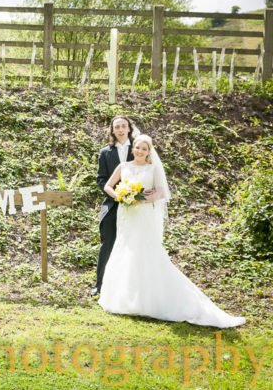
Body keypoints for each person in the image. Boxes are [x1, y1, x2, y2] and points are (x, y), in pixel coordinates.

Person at [98, 135, 245, 328]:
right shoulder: (123, 167)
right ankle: (125, 300)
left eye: (144, 149)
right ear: (133, 149)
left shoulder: (153, 169)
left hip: (142, 215)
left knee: (145, 252)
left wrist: (140, 198)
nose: (140, 151)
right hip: (126, 216)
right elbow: (108, 185)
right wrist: (120, 195)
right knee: (125, 252)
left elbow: (161, 192)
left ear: (149, 151)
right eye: (137, 148)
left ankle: (153, 300)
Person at [91, 116, 144, 296]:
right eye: (117, 127)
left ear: (129, 128)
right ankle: (100, 285)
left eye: (123, 126)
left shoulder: (139, 149)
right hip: (113, 204)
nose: (120, 129)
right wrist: (118, 196)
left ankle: (132, 287)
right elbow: (101, 179)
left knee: (135, 245)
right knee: (107, 243)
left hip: (136, 205)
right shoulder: (105, 152)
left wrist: (135, 196)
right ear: (112, 131)